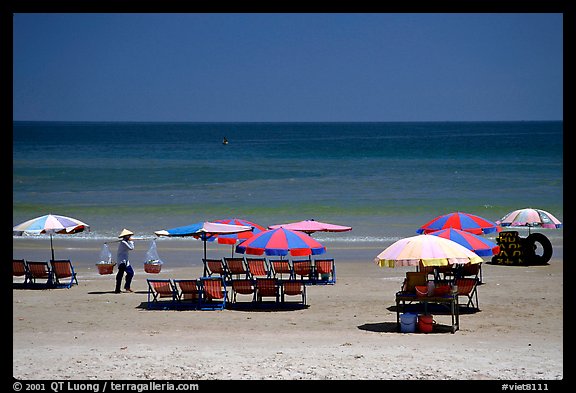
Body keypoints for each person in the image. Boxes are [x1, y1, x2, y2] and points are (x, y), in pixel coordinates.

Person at [115, 228, 135, 293]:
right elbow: (131, 248)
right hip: (122, 261)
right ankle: (117, 289)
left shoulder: (125, 242)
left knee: (130, 273)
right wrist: (131, 242)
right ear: (125, 236)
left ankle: (127, 287)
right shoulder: (123, 242)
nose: (129, 237)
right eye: (128, 235)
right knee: (120, 275)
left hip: (126, 261)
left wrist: (129, 241)